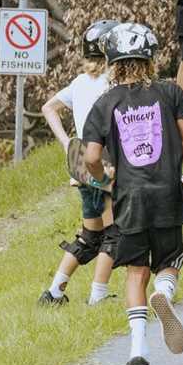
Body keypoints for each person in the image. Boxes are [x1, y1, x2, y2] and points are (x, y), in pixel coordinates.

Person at [83, 22, 183, 365]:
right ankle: (165, 291)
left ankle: (138, 354)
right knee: (171, 258)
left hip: (129, 198)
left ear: (112, 60)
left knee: (135, 273)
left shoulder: (104, 103)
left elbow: (91, 156)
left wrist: (104, 180)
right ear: (150, 57)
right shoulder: (170, 93)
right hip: (166, 191)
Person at [38, 20, 120, 306]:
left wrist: (66, 143)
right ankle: (98, 296)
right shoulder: (113, 83)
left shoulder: (80, 82)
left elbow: (48, 108)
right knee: (114, 233)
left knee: (90, 236)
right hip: (104, 160)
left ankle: (54, 293)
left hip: (79, 161)